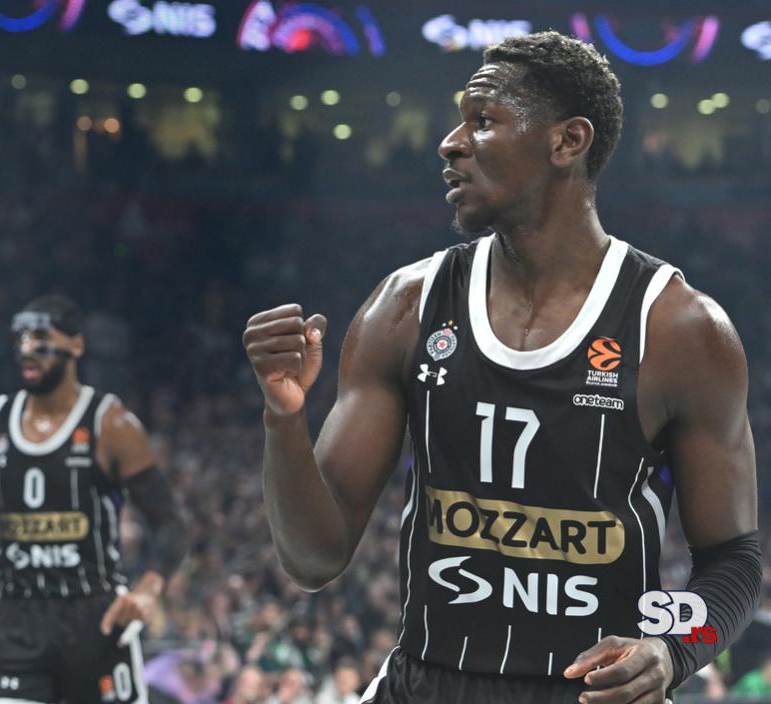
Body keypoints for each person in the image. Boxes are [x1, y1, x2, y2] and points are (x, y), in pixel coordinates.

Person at [242, 31, 760, 704]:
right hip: (424, 684)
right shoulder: (405, 306)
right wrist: (283, 421)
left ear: (567, 141)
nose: (449, 143)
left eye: (482, 120)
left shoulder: (680, 329)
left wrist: (674, 649)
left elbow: (735, 563)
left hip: (587, 692)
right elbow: (314, 559)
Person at [0, 295, 189, 704]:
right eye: (20, 338)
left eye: (41, 338)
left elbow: (169, 520)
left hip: (94, 616)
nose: (27, 349)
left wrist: (149, 588)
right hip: (18, 616)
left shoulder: (111, 423)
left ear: (76, 345)